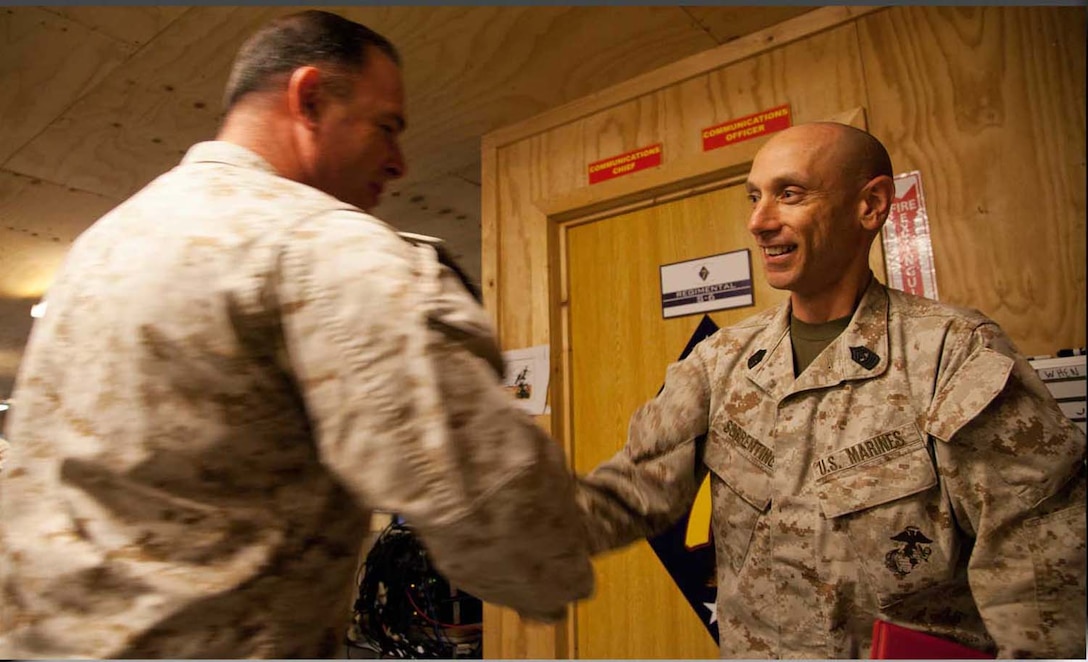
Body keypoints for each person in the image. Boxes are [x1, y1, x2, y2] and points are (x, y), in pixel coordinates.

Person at [0, 10, 592, 658]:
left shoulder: (102, 246)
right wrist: (622, 499)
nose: (399, 163)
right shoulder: (316, 243)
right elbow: (515, 540)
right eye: (386, 127)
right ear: (309, 99)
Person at [576, 122, 1086, 658]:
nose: (758, 221)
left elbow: (1040, 578)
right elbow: (632, 492)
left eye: (789, 194)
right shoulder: (718, 361)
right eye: (754, 197)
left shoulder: (952, 354)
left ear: (871, 205)